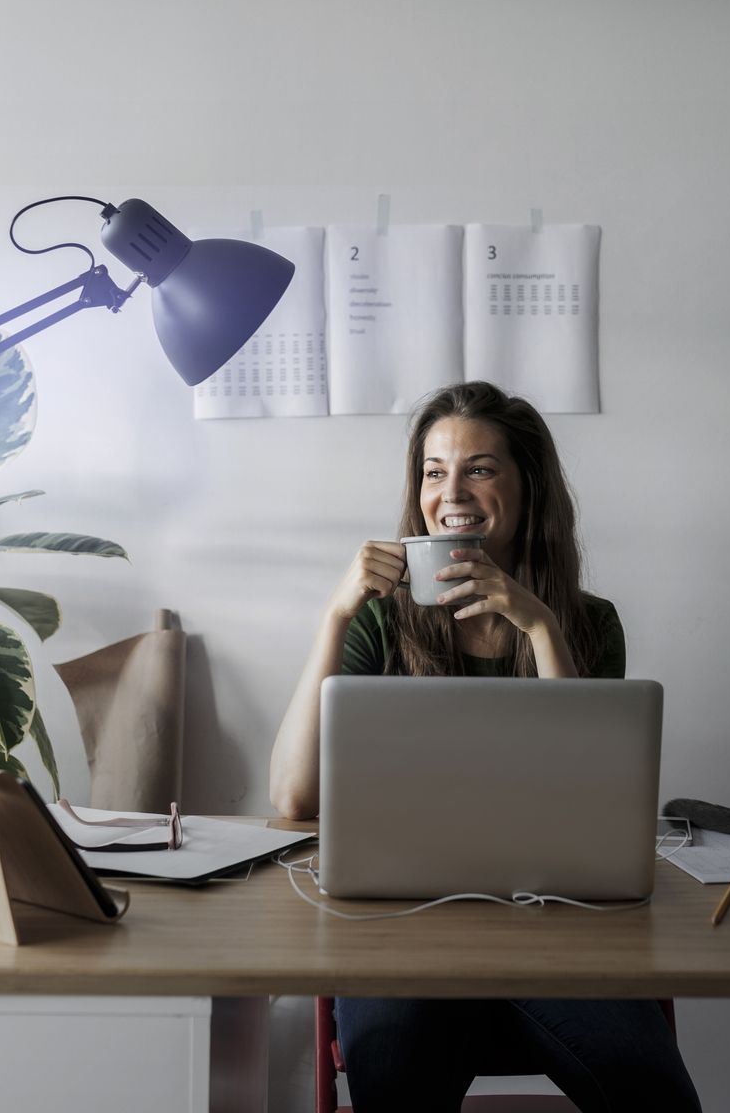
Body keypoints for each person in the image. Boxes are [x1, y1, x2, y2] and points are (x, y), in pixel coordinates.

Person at [269, 381, 702, 1113]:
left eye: (480, 467)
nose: (452, 491)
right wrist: (335, 617)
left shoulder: (588, 624)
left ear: (527, 486)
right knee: (396, 1075)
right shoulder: (381, 621)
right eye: (435, 471)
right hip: (401, 933)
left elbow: (588, 800)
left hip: (552, 934)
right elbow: (293, 799)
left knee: (653, 1090)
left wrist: (541, 629)